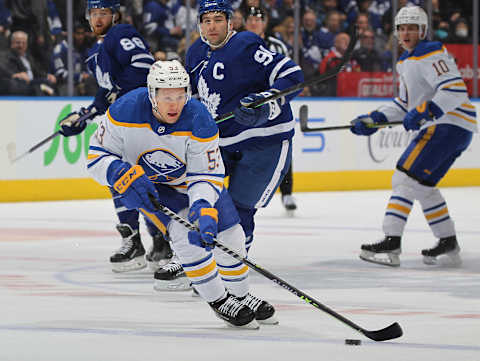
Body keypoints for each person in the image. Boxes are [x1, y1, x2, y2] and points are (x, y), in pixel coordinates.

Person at [87, 59, 277, 328]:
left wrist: (202, 206)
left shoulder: (199, 118)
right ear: (152, 94)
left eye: (180, 96)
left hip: (190, 183)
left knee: (231, 235)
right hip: (150, 187)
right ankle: (219, 301)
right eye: (167, 97)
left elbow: (205, 174)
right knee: (184, 237)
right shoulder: (124, 110)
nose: (174, 104)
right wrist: (119, 173)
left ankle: (241, 295)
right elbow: (96, 157)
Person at [350, 5, 477, 267]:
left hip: (446, 125)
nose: (406, 32)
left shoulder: (430, 53)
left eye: (412, 28)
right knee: (421, 186)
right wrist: (375, 118)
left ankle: (391, 242)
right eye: (402, 28)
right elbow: (404, 105)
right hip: (453, 128)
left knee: (404, 179)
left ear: (422, 31)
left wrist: (426, 110)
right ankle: (447, 240)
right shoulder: (407, 61)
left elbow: (453, 90)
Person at [58, 0, 172, 273]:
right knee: (120, 178)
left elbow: (143, 66)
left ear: (115, 15)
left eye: (103, 13)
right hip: (120, 121)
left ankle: (162, 238)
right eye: (93, 14)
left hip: (137, 119)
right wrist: (85, 114)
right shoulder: (95, 51)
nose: (98, 19)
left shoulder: (121, 34)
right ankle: (135, 240)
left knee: (141, 177)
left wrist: (117, 92)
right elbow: (106, 90)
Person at [185, 0, 303, 254]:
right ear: (199, 25)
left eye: (218, 20)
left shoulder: (245, 44)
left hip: (264, 140)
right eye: (207, 21)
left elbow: (293, 76)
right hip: (222, 142)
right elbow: (193, 98)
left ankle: (232, 268)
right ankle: (196, 259)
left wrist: (265, 105)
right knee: (199, 192)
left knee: (240, 210)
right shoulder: (194, 53)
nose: (212, 26)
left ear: (230, 22)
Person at [243, 5, 297, 213]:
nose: (254, 23)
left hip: (272, 104)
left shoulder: (277, 46)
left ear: (264, 23)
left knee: (281, 144)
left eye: (258, 19)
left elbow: (287, 77)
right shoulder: (236, 45)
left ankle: (287, 192)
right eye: (250, 19)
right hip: (247, 106)